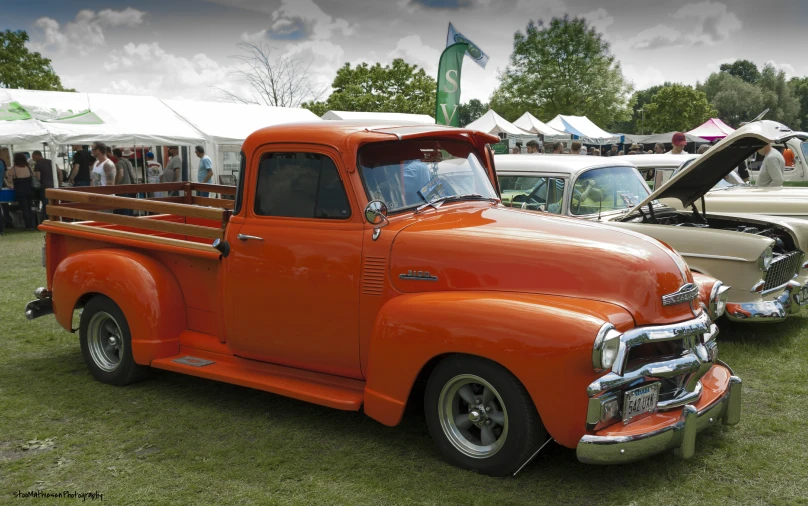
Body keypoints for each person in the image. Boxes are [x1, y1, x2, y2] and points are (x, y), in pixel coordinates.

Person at [8, 152, 36, 230]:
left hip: (20, 191)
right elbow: (34, 176)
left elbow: (9, 181)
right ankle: (32, 225)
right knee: (29, 208)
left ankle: (28, 226)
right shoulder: (29, 167)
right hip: (30, 190)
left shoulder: (13, 169)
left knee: (24, 209)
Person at [32, 151, 55, 221]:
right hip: (54, 186)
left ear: (37, 155)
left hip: (44, 186)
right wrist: (59, 182)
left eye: (33, 157)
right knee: (53, 202)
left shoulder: (38, 164)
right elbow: (59, 172)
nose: (33, 159)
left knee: (46, 204)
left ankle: (48, 218)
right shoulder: (51, 161)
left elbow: (38, 177)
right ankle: (54, 217)